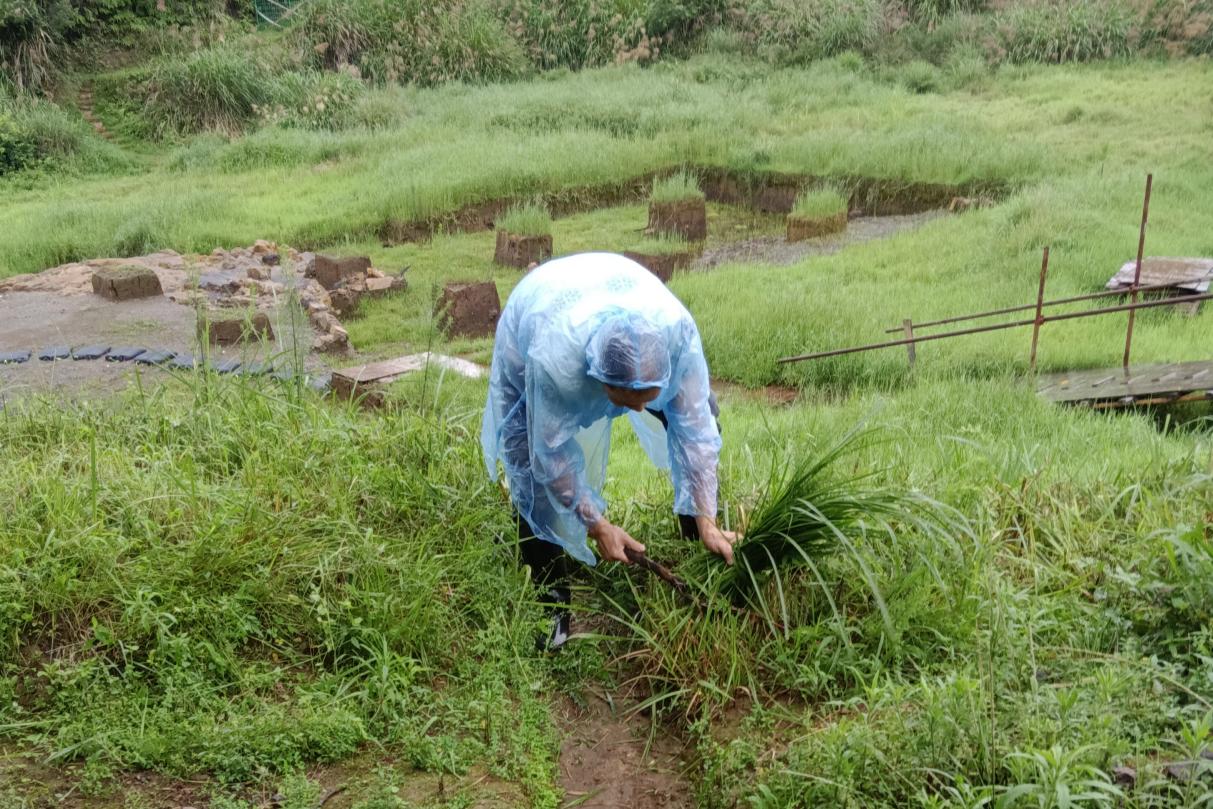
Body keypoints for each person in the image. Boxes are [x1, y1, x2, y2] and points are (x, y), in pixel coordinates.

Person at [481, 252, 736, 649]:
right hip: (538, 310)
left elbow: (697, 432)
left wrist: (707, 515)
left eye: (648, 398)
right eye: (630, 400)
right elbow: (550, 456)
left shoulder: (677, 336)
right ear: (599, 380)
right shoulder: (554, 365)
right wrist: (597, 525)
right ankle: (551, 606)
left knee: (702, 415)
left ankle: (697, 539)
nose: (638, 410)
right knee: (528, 471)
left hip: (618, 286)